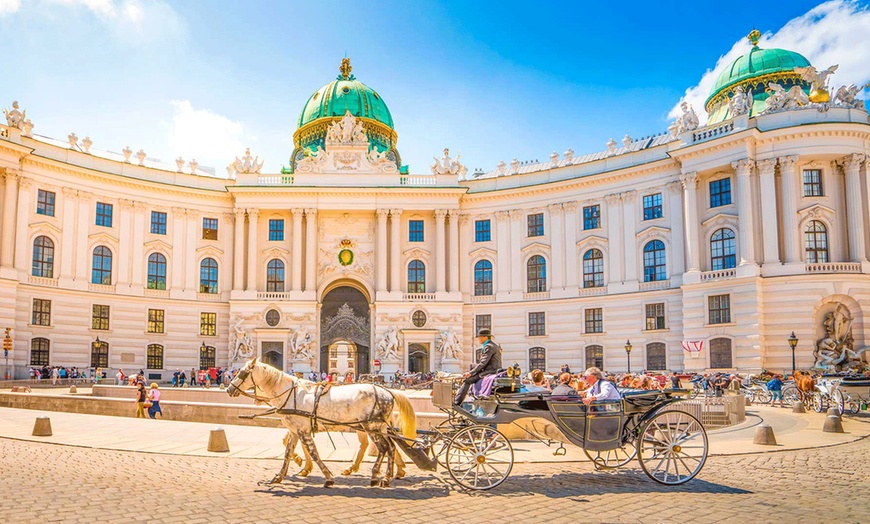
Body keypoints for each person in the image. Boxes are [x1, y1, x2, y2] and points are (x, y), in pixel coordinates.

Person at [453, 328, 502, 405]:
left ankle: (457, 402)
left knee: (467, 381)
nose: (478, 339)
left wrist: (470, 373)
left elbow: (483, 363)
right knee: (472, 366)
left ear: (485, 337)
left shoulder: (489, 346)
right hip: (490, 368)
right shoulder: (491, 345)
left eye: (479, 337)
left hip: (490, 370)